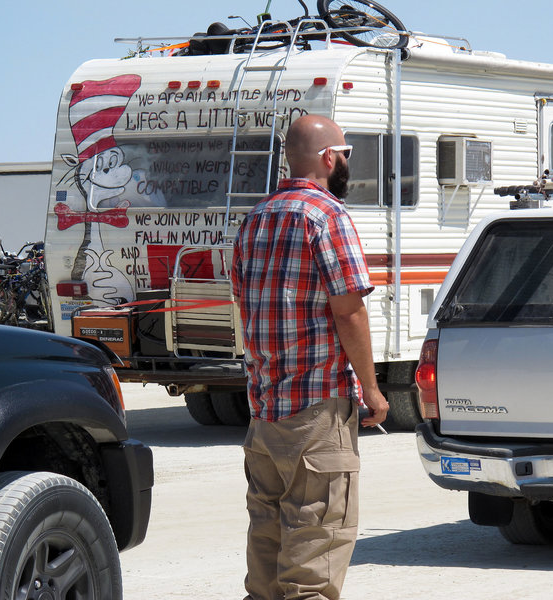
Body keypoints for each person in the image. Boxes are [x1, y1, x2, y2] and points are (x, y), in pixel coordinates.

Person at [231, 114, 390, 600]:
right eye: (345, 153)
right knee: (312, 568)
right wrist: (373, 390)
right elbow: (349, 313)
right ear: (328, 157)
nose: (346, 163)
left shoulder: (255, 218)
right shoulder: (328, 216)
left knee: (266, 561)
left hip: (265, 416)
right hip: (317, 416)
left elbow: (243, 306)